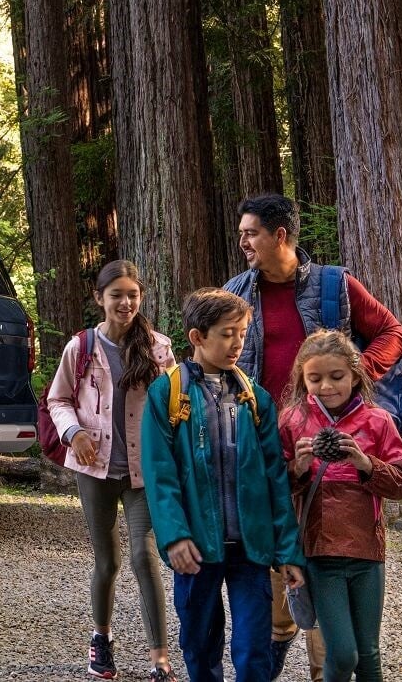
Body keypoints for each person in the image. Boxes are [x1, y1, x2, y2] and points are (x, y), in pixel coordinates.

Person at [227, 193, 402, 680]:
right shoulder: (236, 293)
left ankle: (323, 669)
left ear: (279, 235)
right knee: (274, 563)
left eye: (251, 233)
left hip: (329, 440)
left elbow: (393, 332)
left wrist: (354, 375)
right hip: (268, 443)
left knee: (321, 552)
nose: (243, 241)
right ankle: (269, 657)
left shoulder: (335, 286)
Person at [142, 287, 306, 682]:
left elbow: (275, 480)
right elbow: (158, 473)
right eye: (228, 333)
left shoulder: (257, 399)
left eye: (243, 333)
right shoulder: (166, 393)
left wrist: (288, 551)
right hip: (196, 547)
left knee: (254, 650)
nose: (238, 343)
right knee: (199, 644)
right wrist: (174, 536)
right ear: (198, 337)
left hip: (252, 549)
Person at [47, 260, 180, 681]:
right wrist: (74, 433)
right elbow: (58, 399)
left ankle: (160, 657)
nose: (125, 303)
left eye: (132, 295)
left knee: (145, 557)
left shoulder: (159, 347)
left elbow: (175, 404)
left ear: (141, 297)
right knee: (107, 562)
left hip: (142, 473)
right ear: (99, 298)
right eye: (116, 295)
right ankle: (100, 640)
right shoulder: (81, 347)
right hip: (95, 469)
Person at [281, 330, 402, 682]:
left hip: (367, 551)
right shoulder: (293, 420)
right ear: (302, 379)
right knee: (343, 653)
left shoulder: (378, 421)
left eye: (336, 376)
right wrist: (298, 468)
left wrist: (366, 464)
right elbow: (274, 489)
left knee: (369, 652)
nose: (326, 386)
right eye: (315, 378)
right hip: (320, 555)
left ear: (355, 375)